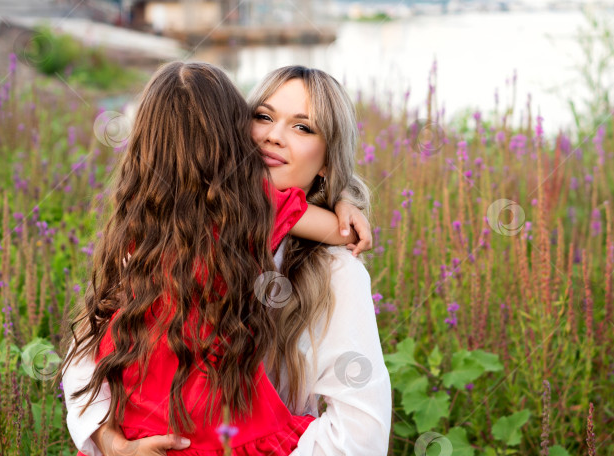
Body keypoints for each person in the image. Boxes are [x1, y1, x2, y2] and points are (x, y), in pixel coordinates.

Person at [64, 65, 392, 455]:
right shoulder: (162, 234)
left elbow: (360, 434)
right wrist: (113, 444)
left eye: (303, 128)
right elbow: (84, 357)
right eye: (263, 117)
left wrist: (345, 198)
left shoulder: (336, 273)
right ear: (232, 131)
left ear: (326, 162)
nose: (273, 136)